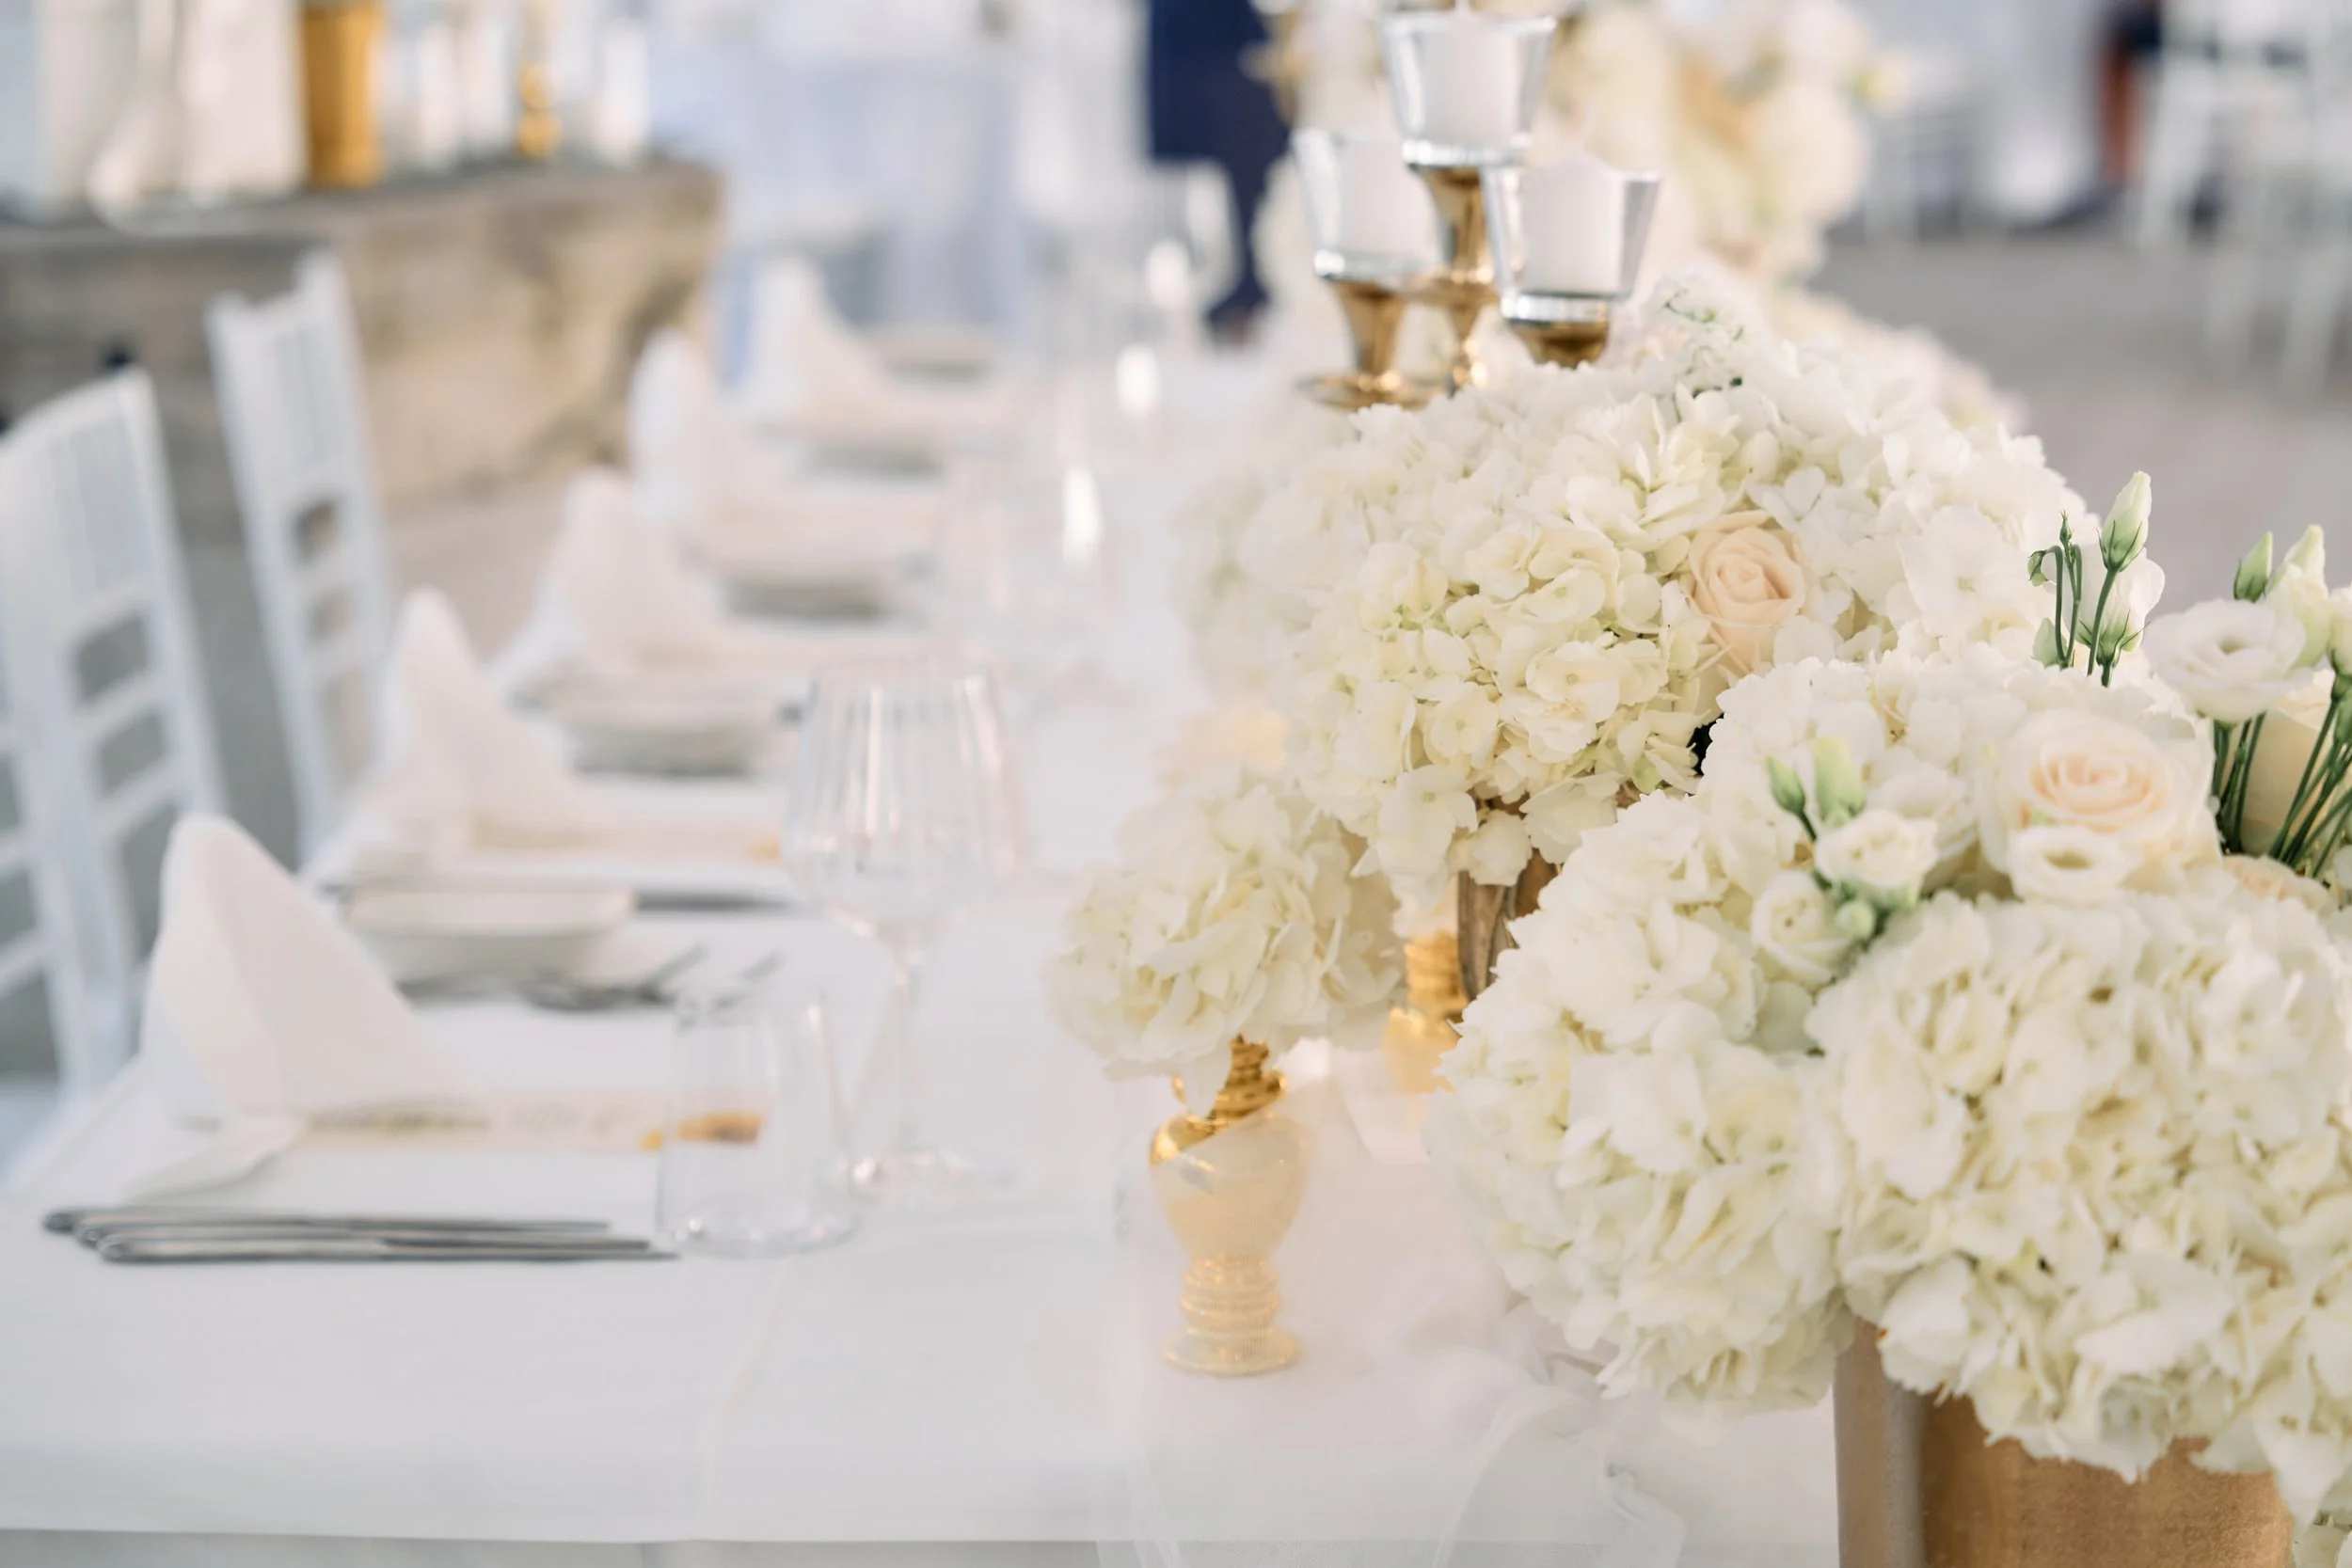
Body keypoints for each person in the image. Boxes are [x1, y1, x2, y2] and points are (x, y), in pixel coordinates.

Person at [1145, 0, 1290, 334]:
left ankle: (1250, 285)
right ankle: (1238, 283)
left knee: (1250, 163)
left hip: (1236, 45)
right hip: (1205, 44)